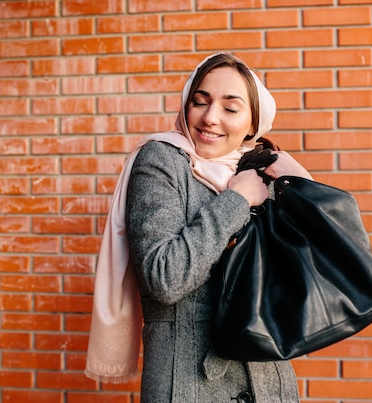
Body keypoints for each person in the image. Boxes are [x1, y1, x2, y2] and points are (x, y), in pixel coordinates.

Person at [85, 52, 312, 402]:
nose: (210, 118)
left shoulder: (263, 172)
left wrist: (299, 189)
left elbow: (302, 280)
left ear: (254, 123)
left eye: (230, 108)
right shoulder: (161, 161)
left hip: (269, 383)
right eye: (200, 102)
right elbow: (165, 278)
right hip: (189, 383)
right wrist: (236, 201)